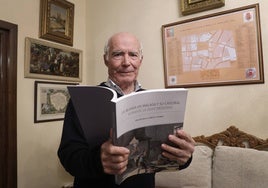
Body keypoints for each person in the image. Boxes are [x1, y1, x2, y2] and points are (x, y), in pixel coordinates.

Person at [58, 32, 195, 188]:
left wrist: (185, 157)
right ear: (106, 60)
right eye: (118, 54)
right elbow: (68, 156)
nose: (126, 62)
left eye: (133, 55)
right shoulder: (84, 99)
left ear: (140, 60)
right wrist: (98, 160)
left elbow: (164, 154)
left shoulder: (156, 101)